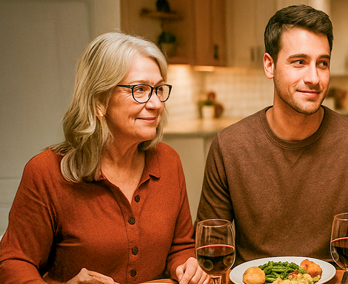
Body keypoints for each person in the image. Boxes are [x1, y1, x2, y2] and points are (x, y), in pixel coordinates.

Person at [0, 32, 207, 283]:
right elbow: (13, 263)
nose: (156, 104)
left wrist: (186, 265)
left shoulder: (168, 161)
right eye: (140, 89)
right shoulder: (46, 172)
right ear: (99, 101)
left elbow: (180, 246)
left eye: (158, 89)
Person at [196, 5, 348, 268]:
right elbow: (211, 245)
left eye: (322, 63)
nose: (314, 78)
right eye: (299, 62)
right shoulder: (229, 146)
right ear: (269, 65)